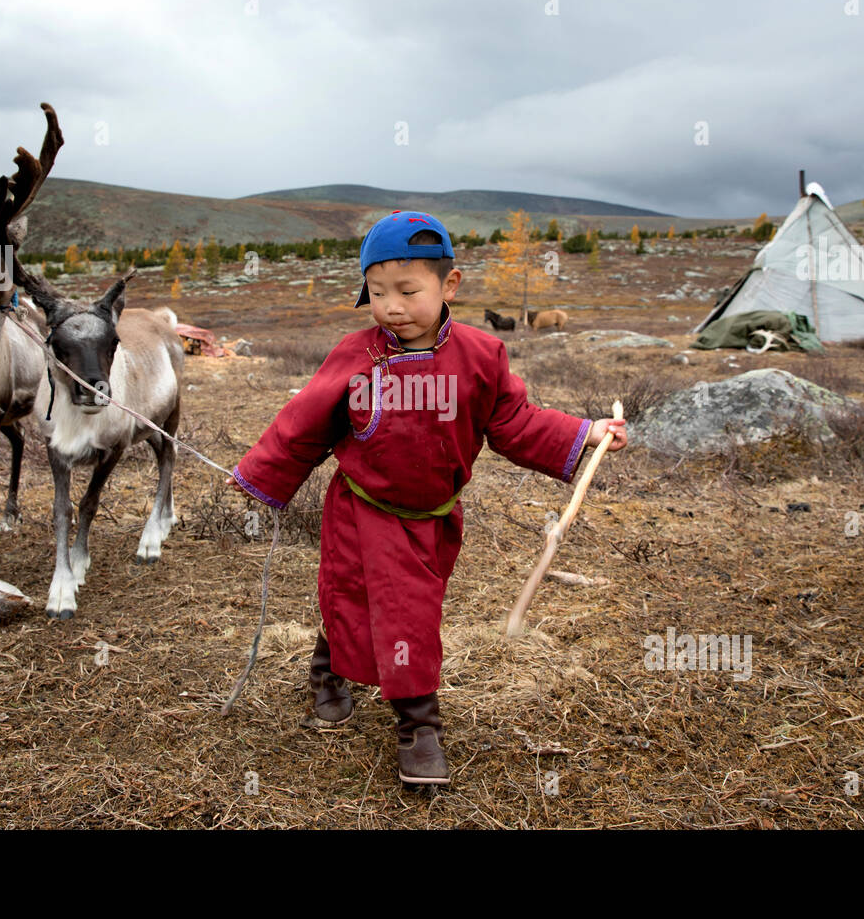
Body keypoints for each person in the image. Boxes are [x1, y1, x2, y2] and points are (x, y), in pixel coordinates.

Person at [225, 210, 626, 786]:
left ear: (450, 285)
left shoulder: (481, 357)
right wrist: (259, 477)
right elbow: (304, 422)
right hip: (362, 508)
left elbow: (515, 422)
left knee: (396, 608)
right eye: (378, 292)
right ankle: (418, 725)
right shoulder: (355, 356)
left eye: (408, 291)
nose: (392, 305)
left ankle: (327, 670)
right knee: (375, 603)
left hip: (433, 517)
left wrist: (585, 433)